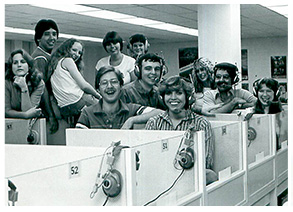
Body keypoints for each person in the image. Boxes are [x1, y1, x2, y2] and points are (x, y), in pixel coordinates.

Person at [145, 76, 217, 185]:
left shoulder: (201, 123)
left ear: (187, 97)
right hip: (160, 179)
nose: (173, 98)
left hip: (191, 178)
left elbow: (206, 163)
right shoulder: (154, 123)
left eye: (179, 93)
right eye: (169, 93)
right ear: (163, 97)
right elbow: (148, 159)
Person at [76, 66, 164, 129]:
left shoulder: (131, 109)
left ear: (121, 86)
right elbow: (77, 142)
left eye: (114, 82)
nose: (109, 86)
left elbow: (160, 113)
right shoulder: (87, 113)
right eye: (104, 83)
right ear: (98, 89)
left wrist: (131, 120)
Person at [49, 38, 101, 126]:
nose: (77, 54)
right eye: (74, 50)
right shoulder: (67, 61)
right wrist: (99, 96)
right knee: (107, 112)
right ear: (66, 48)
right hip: (78, 101)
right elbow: (84, 85)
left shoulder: (55, 64)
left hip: (65, 109)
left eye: (79, 53)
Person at [31, 19, 59, 133]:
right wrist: (51, 115)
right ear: (38, 38)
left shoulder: (46, 56)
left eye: (54, 34)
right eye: (46, 34)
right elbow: (42, 89)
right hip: (44, 112)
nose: (52, 37)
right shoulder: (40, 58)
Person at [5, 49, 44, 119]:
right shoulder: (6, 83)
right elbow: (5, 111)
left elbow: (29, 111)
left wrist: (24, 88)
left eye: (23, 62)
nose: (19, 65)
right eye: (15, 63)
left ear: (29, 66)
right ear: (11, 67)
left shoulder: (38, 83)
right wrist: (25, 115)